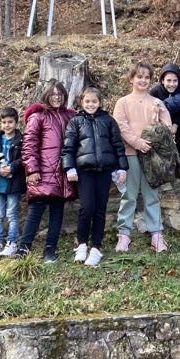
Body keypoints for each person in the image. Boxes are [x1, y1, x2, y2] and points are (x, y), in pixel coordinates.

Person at [62, 87, 128, 268]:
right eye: (87, 101)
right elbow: (68, 148)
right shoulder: (76, 122)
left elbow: (117, 146)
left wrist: (122, 168)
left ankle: (96, 247)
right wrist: (69, 168)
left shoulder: (108, 120)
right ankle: (82, 243)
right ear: (82, 103)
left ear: (100, 103)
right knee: (87, 207)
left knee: (100, 209)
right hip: (85, 171)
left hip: (105, 171)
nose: (91, 104)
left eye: (94, 101)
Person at [113, 61, 174, 254]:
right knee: (129, 196)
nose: (143, 80)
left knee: (151, 196)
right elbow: (121, 127)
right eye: (139, 76)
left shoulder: (156, 102)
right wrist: (138, 143)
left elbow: (167, 128)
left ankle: (156, 235)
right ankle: (124, 235)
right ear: (132, 79)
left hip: (152, 157)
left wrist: (160, 115)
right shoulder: (122, 102)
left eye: (147, 77)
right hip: (131, 154)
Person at [18, 80, 76, 263]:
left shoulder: (69, 116)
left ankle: (50, 250)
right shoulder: (38, 116)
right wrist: (32, 169)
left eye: (60, 93)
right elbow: (29, 145)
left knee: (57, 212)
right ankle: (23, 248)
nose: (56, 97)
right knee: (35, 210)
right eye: (53, 93)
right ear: (47, 95)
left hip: (62, 172)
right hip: (42, 172)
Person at [0, 107, 26, 257]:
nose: (7, 125)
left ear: (16, 122)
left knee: (12, 214)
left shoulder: (21, 141)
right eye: (4, 122)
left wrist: (12, 167)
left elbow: (24, 158)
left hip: (14, 184)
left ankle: (12, 242)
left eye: (10, 122)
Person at [150, 63, 180, 158]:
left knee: (179, 149)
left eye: (175, 81)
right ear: (162, 80)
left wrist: (175, 125)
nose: (172, 84)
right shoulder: (155, 91)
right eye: (168, 81)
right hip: (160, 128)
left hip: (178, 129)